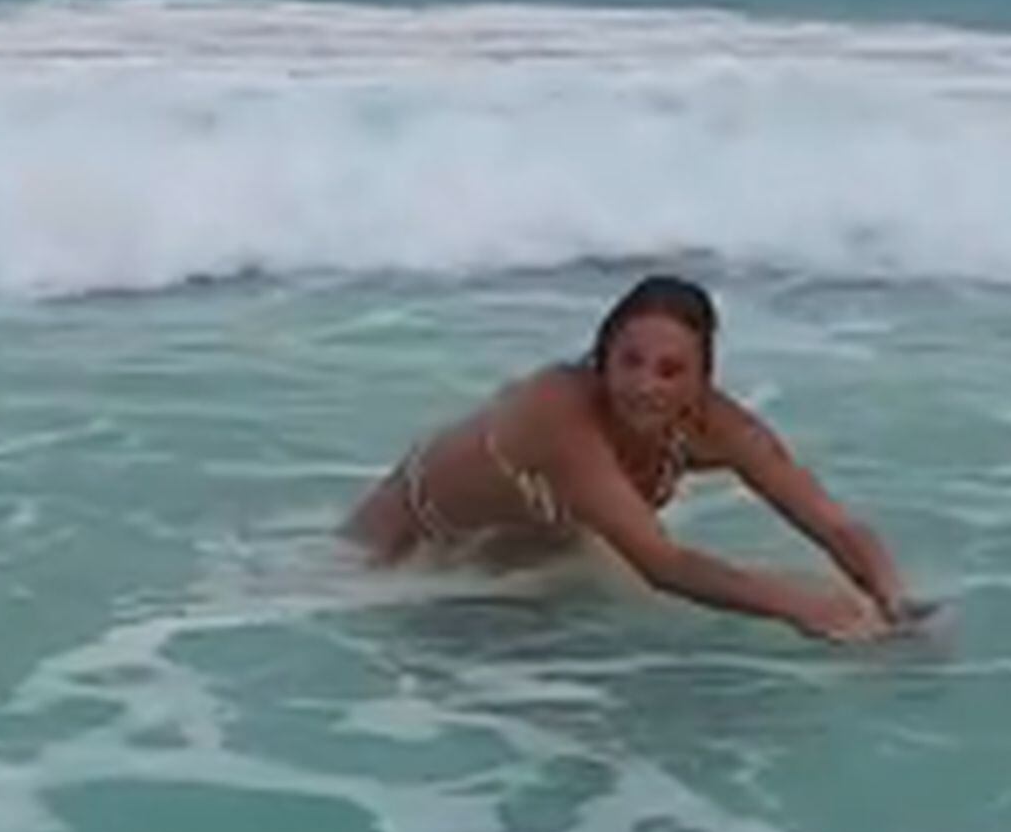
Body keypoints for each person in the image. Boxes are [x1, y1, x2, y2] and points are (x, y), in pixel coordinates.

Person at [341, 275, 917, 643]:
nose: (646, 385)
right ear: (602, 359)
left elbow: (831, 521)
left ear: (702, 378)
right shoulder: (557, 410)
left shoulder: (716, 425)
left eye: (671, 371)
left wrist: (894, 597)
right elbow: (661, 564)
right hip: (406, 551)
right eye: (630, 361)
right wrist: (798, 606)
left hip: (529, 557)